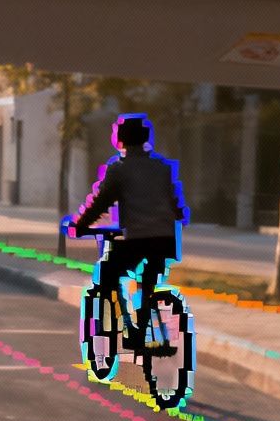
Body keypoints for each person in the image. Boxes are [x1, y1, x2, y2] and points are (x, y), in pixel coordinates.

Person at [62, 114, 189, 350]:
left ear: (119, 140)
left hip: (137, 239)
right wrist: (178, 217)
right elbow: (176, 205)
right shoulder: (162, 168)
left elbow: (100, 203)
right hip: (166, 240)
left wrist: (79, 225)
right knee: (149, 278)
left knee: (108, 272)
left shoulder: (119, 169)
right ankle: (143, 323)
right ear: (145, 139)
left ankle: (126, 327)